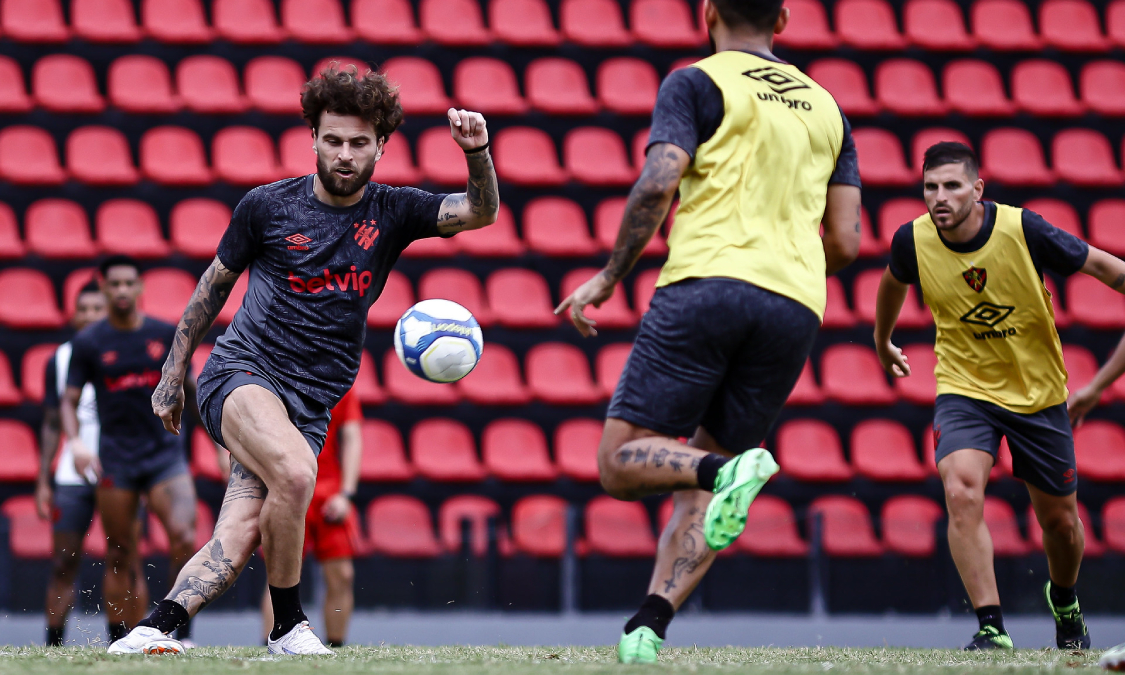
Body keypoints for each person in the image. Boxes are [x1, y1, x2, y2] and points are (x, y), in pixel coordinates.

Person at [108, 65, 499, 656]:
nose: (345, 154)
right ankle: (288, 627)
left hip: (313, 402)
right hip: (243, 375)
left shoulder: (393, 212)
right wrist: (171, 375)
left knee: (238, 534)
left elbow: (481, 211)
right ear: (312, 137)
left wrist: (477, 152)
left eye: (359, 143)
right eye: (334, 139)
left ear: (382, 146)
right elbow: (213, 287)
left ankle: (151, 629)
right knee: (294, 476)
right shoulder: (265, 207)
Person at [556, 0, 862, 663]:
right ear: (783, 19)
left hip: (707, 284)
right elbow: (844, 240)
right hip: (796, 305)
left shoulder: (698, 81)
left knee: (619, 460)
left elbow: (657, 183)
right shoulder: (829, 108)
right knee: (709, 481)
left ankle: (730, 470)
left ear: (707, 12)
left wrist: (608, 277)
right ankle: (648, 624)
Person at [873, 141, 1123, 650]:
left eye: (951, 186)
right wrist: (882, 340)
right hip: (964, 389)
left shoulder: (1023, 229)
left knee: (1061, 525)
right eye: (930, 187)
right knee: (961, 489)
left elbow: (1106, 269)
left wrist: (1097, 386)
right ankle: (992, 628)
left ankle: (1065, 598)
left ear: (977, 189)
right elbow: (892, 283)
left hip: (1039, 395)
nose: (939, 197)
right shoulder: (912, 240)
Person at [61, 255, 201, 646]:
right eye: (114, 284)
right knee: (121, 554)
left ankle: (178, 633)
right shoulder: (89, 343)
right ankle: (120, 639)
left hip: (164, 455)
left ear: (140, 288)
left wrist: (219, 443)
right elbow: (67, 402)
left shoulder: (162, 333)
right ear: (103, 288)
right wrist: (74, 441)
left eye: (129, 283)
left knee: (185, 539)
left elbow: (190, 393)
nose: (122, 291)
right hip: (117, 459)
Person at [37, 282, 150, 645]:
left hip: (121, 470)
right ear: (72, 314)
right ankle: (52, 645)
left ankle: (122, 641)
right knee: (63, 563)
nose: (88, 316)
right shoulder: (60, 358)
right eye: (82, 309)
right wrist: (43, 480)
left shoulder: (131, 351)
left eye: (95, 309)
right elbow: (53, 421)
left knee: (125, 559)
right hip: (72, 473)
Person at [260, 389, 363, 647]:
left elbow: (352, 437)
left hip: (328, 493)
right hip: (286, 487)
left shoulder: (339, 382)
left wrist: (346, 494)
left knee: (342, 574)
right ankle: (272, 645)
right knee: (278, 574)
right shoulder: (276, 378)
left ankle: (336, 646)